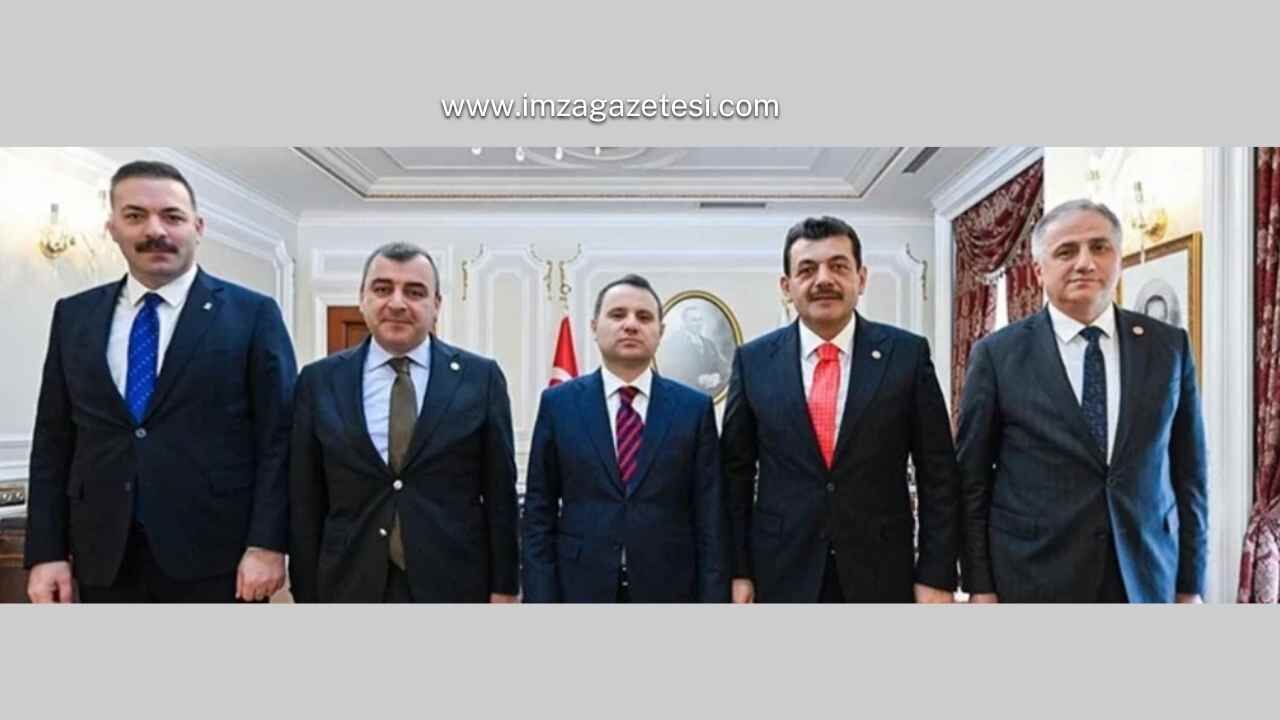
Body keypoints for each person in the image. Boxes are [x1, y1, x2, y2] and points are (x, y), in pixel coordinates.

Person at [24, 160, 296, 603]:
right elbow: (53, 441)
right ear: (112, 227)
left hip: (215, 555)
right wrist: (47, 552)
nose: (156, 230)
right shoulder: (74, 315)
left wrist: (268, 543)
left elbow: (279, 438)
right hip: (102, 556)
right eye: (135, 216)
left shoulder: (252, 314)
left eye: (172, 216)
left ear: (197, 227)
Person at [956, 199, 1208, 603]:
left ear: (1118, 259)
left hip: (1145, 575)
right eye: (1066, 251)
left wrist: (1190, 584)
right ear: (1039, 270)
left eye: (1099, 247)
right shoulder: (997, 355)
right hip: (1034, 576)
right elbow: (972, 481)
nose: (1085, 263)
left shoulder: (1168, 347)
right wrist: (979, 586)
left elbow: (1190, 474)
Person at [721, 216, 960, 603]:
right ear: (786, 286)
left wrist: (937, 574)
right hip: (780, 571)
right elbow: (735, 476)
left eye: (838, 266)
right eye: (807, 269)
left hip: (883, 572)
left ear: (861, 278)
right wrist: (738, 570)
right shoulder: (753, 362)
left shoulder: (906, 355)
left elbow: (939, 474)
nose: (823, 280)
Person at [288, 242, 519, 602]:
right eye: (383, 289)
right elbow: (305, 497)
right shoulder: (319, 381)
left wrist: (504, 587)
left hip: (453, 584)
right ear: (362, 299)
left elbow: (500, 493)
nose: (397, 303)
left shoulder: (480, 379)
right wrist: (305, 591)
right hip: (348, 583)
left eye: (415, 292)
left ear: (436, 305)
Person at [522, 274, 730, 602]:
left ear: (660, 332)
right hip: (579, 587)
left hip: (670, 589)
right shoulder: (559, 405)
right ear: (594, 327)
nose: (631, 325)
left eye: (644, 317)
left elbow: (710, 517)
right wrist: (540, 597)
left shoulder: (693, 409)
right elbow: (539, 511)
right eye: (618, 315)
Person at [660, 303, 732, 393]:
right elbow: (669, 373)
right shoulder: (673, 343)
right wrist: (697, 380)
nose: (698, 324)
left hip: (709, 394)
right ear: (685, 322)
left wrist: (718, 376)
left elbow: (725, 368)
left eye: (700, 320)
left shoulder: (709, 344)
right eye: (694, 320)